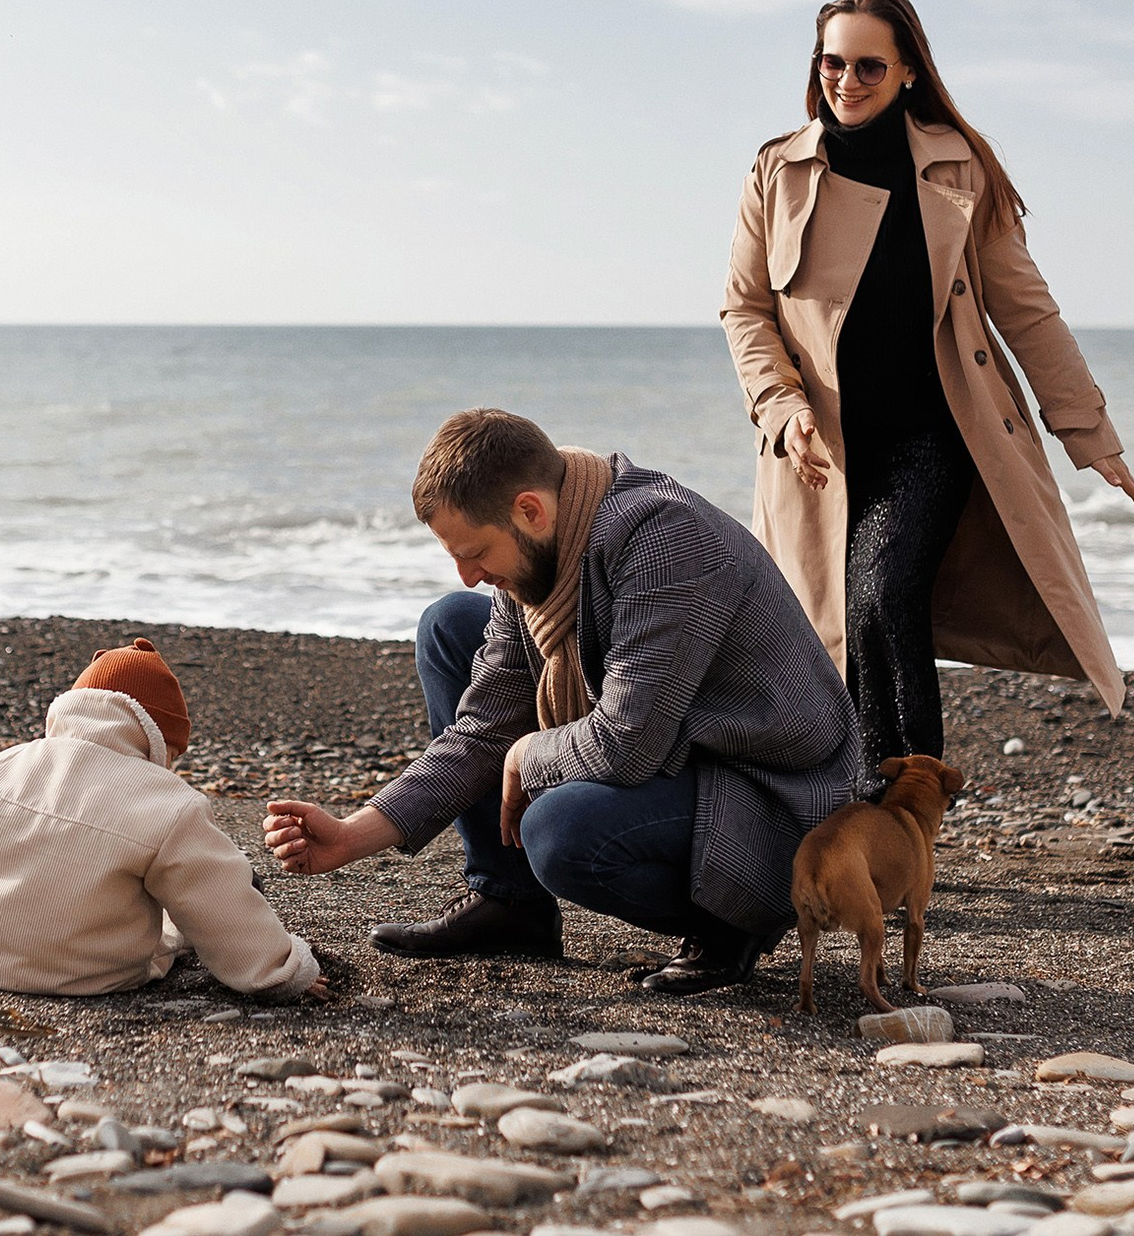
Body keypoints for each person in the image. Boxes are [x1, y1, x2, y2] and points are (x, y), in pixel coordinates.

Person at [262, 409, 857, 995]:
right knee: (449, 624)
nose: (468, 573)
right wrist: (350, 835)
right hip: (676, 753)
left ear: (530, 510)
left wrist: (528, 753)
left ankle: (732, 920)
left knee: (560, 829)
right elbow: (484, 731)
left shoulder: (663, 539)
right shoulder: (542, 549)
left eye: (474, 551)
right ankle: (510, 903)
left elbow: (625, 745)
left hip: (774, 800)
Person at [722, 0, 1134, 793]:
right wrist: (782, 408)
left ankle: (909, 808)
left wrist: (1090, 433)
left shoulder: (959, 166)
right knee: (835, 629)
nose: (846, 81)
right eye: (833, 63)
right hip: (822, 450)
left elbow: (1025, 308)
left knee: (882, 598)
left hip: (934, 434)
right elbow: (745, 310)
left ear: (909, 70)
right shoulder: (776, 171)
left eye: (869, 66)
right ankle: (857, 804)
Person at [0, 638, 327, 1001]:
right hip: (92, 975)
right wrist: (284, 973)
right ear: (158, 741)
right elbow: (222, 907)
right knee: (194, 905)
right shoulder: (170, 803)